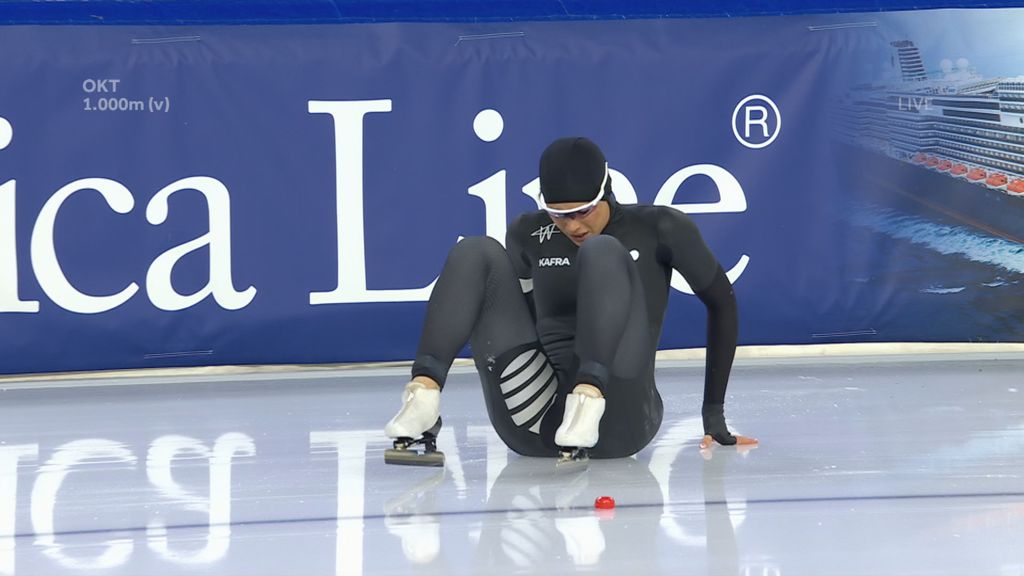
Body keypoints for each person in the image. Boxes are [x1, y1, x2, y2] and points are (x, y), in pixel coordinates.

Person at [384, 137, 756, 463]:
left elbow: (722, 302)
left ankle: (589, 395)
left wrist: (714, 415)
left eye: (583, 212)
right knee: (476, 252)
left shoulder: (661, 228)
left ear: (605, 190)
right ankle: (424, 395)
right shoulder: (528, 233)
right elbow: (510, 323)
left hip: (621, 420)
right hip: (536, 422)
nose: (573, 226)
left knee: (601, 250)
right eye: (559, 216)